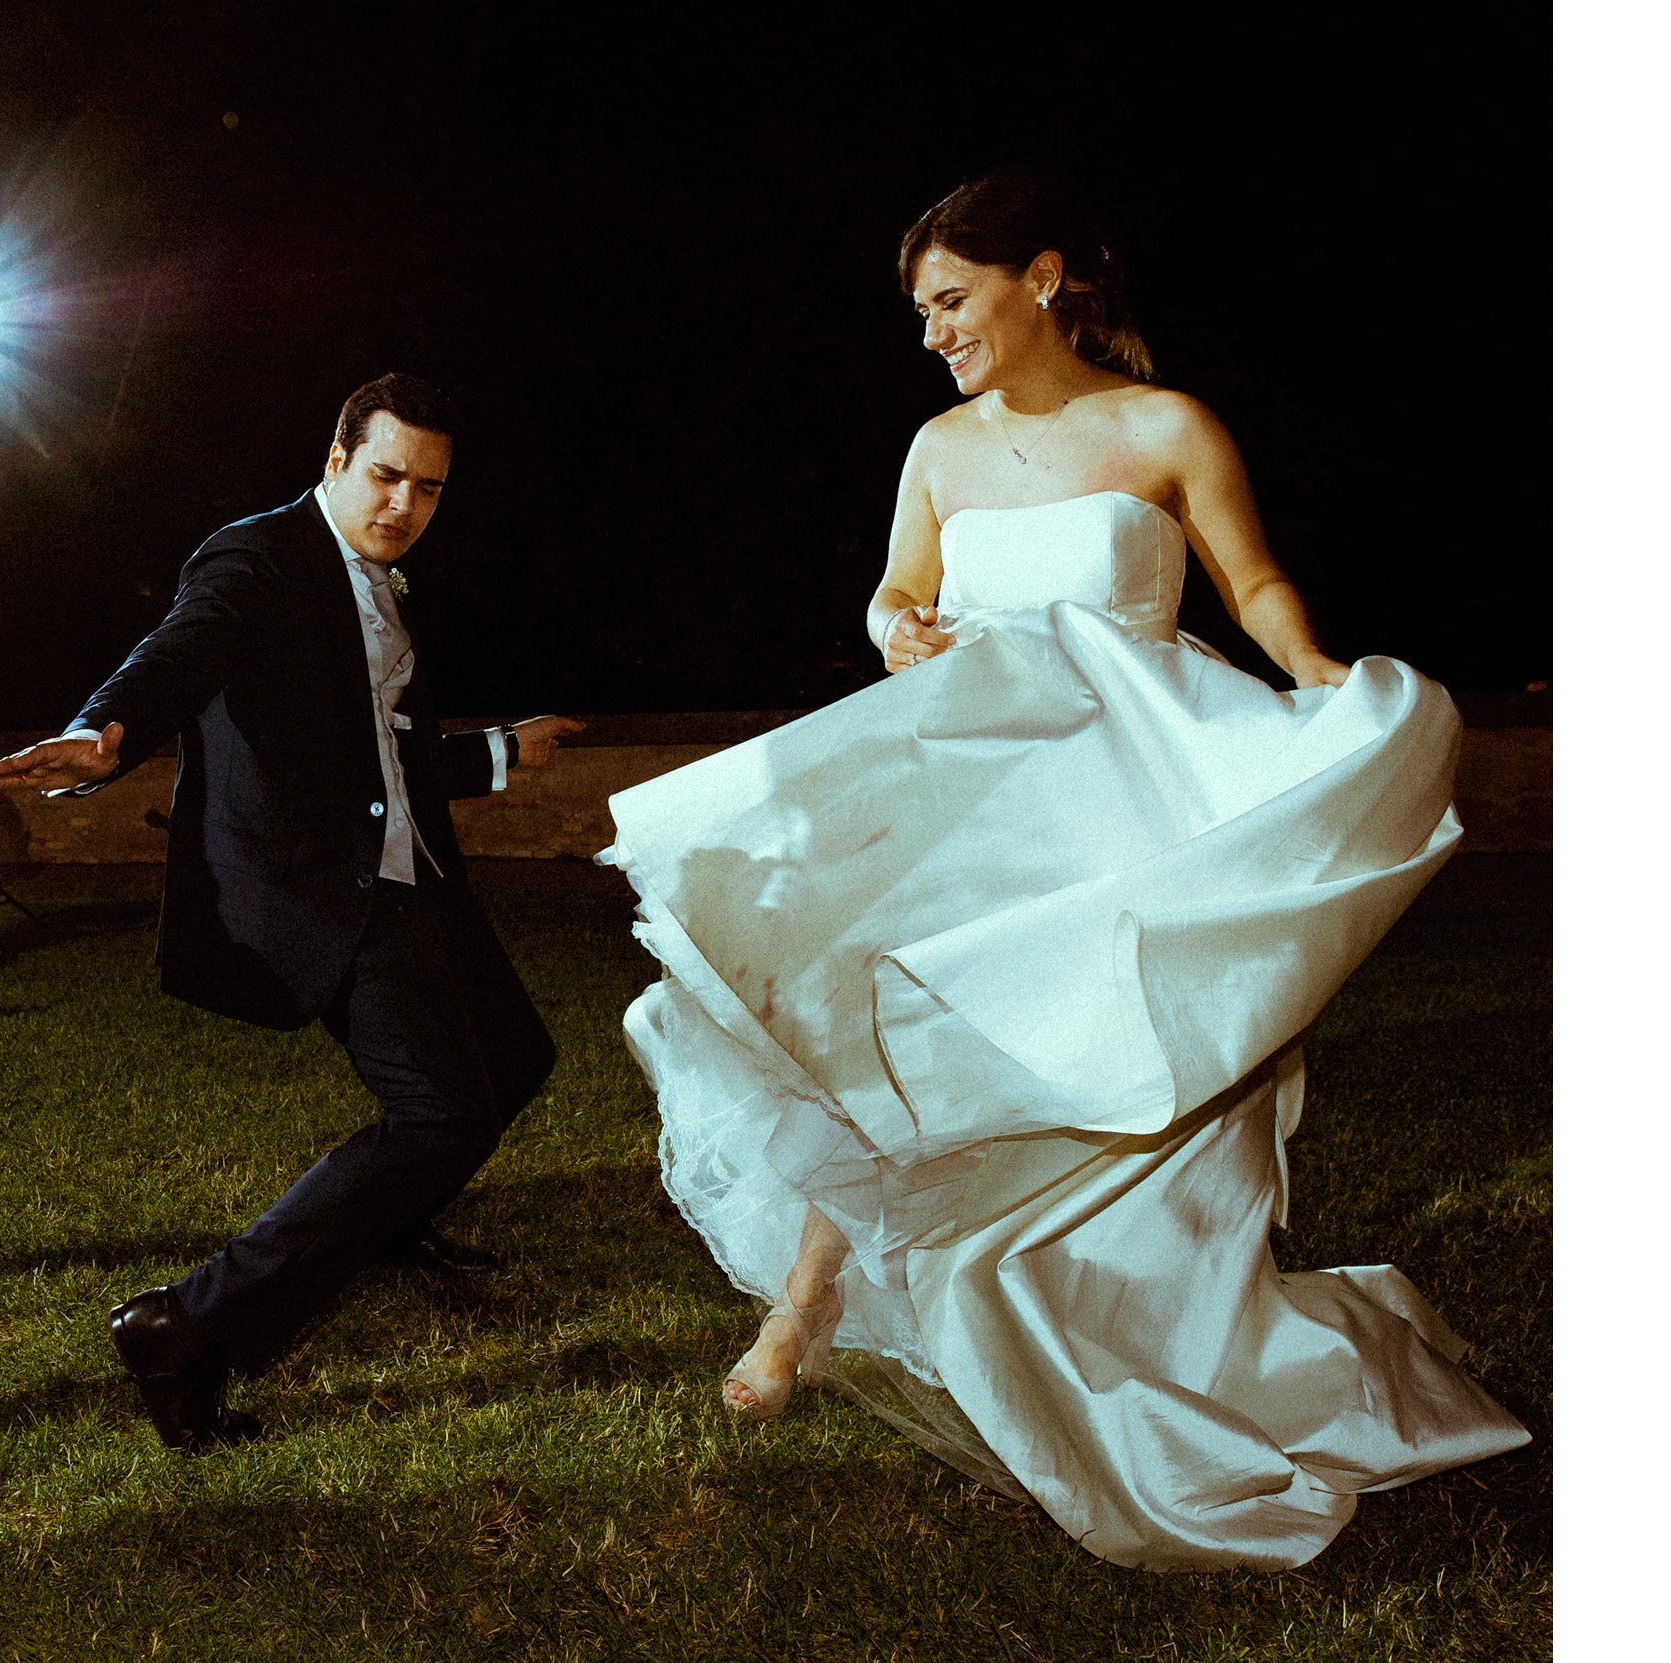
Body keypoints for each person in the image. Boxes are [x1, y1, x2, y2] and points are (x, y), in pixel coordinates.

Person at [600, 171, 1529, 1571]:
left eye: (950, 301)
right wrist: (900, 623)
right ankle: (805, 1299)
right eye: (919, 312)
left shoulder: (1168, 425)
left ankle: (1141, 1334)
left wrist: (1319, 673)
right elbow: (895, 590)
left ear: (1039, 279)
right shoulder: (936, 448)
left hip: (1133, 781)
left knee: (1128, 1061)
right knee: (885, 1026)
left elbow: (1253, 582)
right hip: (974, 780)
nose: (932, 334)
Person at [0, 374, 583, 1451]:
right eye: (386, 475)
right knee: (440, 1114)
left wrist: (499, 750)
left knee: (512, 1059)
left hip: (410, 868)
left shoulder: (384, 583)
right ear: (337, 459)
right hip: (321, 881)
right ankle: (186, 1323)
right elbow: (184, 648)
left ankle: (386, 1222)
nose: (403, 504)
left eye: (428, 489)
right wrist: (106, 730)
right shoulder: (255, 557)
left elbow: (371, 747)